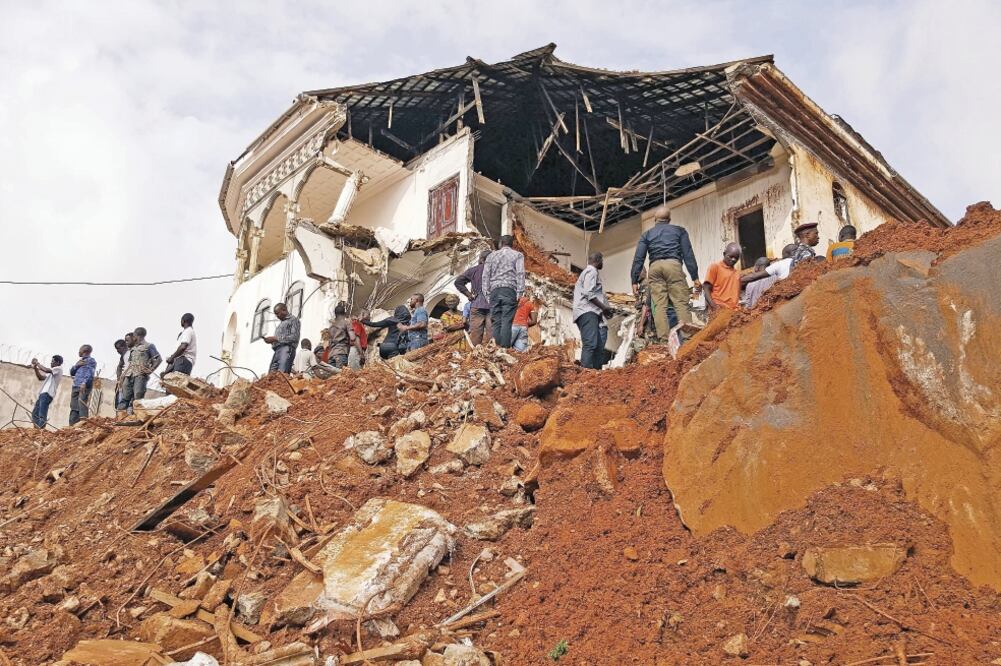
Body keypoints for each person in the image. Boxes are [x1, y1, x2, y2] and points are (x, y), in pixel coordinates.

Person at [630, 204, 699, 342]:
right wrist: (695, 276)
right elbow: (688, 254)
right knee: (680, 302)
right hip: (673, 265)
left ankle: (664, 341)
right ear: (669, 219)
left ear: (655, 219)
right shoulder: (680, 231)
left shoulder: (647, 235)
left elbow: (639, 258)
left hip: (655, 268)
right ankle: (687, 339)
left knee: (659, 306)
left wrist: (634, 280)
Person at [481, 235, 525, 348]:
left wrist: (487, 294)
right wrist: (520, 292)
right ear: (512, 244)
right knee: (507, 320)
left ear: (501, 243)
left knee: (496, 320)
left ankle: (496, 347)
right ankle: (504, 349)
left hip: (494, 290)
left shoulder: (491, 256)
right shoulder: (518, 255)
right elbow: (520, 273)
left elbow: (485, 275)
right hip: (510, 290)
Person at [573, 252, 614, 370]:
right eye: (602, 261)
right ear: (598, 260)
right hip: (586, 312)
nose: (603, 263)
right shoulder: (592, 271)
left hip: (587, 312)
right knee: (590, 344)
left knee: (595, 345)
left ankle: (592, 373)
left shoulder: (588, 272)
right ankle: (585, 374)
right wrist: (604, 308)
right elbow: (589, 293)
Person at [455, 250, 492, 345]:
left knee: (475, 336)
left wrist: (469, 295)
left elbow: (458, 282)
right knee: (493, 336)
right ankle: (493, 355)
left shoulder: (474, 270)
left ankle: (475, 356)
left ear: (482, 259)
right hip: (493, 306)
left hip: (477, 304)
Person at [702, 243, 751, 314]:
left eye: (736, 258)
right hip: (719, 309)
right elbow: (706, 288)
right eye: (730, 256)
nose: (733, 259)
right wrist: (714, 306)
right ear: (724, 254)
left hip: (734, 311)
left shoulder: (737, 273)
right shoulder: (715, 267)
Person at [120, 328, 160, 414]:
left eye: (133, 336)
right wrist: (123, 376)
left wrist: (149, 371)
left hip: (140, 376)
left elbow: (158, 359)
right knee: (125, 397)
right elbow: (130, 363)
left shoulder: (149, 346)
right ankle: (120, 416)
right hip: (129, 375)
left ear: (135, 336)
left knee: (138, 397)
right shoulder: (133, 348)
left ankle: (136, 417)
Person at [263, 302, 300, 374]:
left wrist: (275, 339)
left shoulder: (293, 320)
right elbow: (278, 339)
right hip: (277, 351)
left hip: (286, 349)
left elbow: (294, 337)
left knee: (282, 374)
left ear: (284, 310)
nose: (277, 316)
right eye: (276, 314)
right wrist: (271, 341)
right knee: (271, 376)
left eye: (278, 313)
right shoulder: (281, 324)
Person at [30, 355, 63, 429]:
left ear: (58, 362)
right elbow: (40, 377)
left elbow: (45, 369)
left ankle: (40, 430)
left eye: (52, 361)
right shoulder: (51, 372)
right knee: (35, 413)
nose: (51, 363)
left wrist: (37, 363)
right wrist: (35, 368)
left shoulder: (58, 369)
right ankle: (37, 429)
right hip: (43, 394)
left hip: (47, 394)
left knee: (42, 414)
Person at [68, 344, 97, 425]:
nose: (78, 352)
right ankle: (72, 424)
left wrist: (84, 382)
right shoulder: (79, 361)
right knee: (74, 406)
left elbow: (90, 373)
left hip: (83, 386)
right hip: (75, 385)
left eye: (80, 350)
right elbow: (72, 372)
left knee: (81, 404)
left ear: (84, 351)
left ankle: (84, 423)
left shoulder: (91, 361)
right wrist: (77, 365)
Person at [328, 302, 362, 368]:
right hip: (341, 353)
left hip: (331, 355)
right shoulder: (346, 323)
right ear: (344, 313)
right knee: (341, 376)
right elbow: (353, 338)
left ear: (335, 314)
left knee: (333, 377)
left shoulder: (331, 327)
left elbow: (328, 343)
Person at [511, 287, 539, 352]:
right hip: (523, 328)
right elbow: (534, 321)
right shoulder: (531, 304)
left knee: (504, 350)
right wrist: (524, 323)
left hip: (512, 326)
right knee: (519, 352)